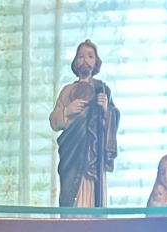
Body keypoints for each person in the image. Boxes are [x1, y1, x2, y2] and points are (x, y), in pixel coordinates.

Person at [50, 40, 119, 208]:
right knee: (71, 194)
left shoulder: (102, 89)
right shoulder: (67, 91)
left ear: (96, 62)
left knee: (92, 195)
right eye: (81, 56)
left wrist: (105, 109)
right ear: (75, 62)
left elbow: (113, 119)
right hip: (72, 154)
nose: (85, 60)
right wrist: (67, 111)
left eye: (90, 56)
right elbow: (54, 121)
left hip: (93, 156)